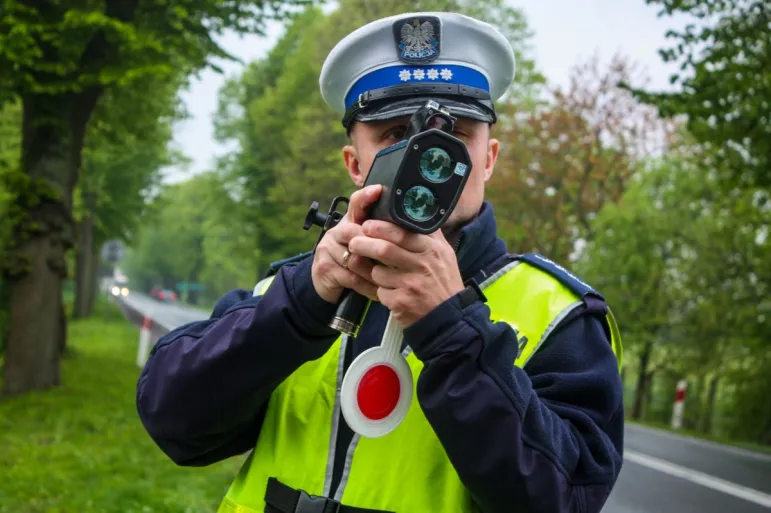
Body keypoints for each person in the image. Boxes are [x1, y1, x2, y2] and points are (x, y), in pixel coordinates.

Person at [136, 11, 625, 513]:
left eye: (456, 133)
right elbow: (175, 424)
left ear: (488, 159)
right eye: (396, 135)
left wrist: (451, 331)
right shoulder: (300, 287)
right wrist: (302, 304)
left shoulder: (559, 313)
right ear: (354, 164)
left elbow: (564, 498)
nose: (429, 157)